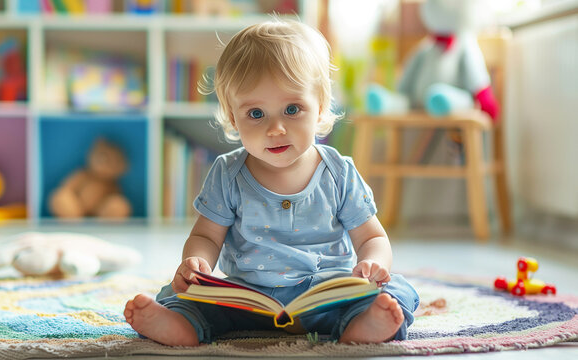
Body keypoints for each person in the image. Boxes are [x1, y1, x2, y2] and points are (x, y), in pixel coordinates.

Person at [124, 18, 419, 346]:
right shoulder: (227, 173)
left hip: (327, 295)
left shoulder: (339, 172)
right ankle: (182, 324)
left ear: (320, 107)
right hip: (248, 299)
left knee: (398, 291)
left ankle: (363, 325)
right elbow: (206, 235)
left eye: (292, 109)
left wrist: (372, 264)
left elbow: (372, 237)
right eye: (256, 114)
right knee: (180, 294)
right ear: (234, 118)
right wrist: (196, 264)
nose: (275, 128)